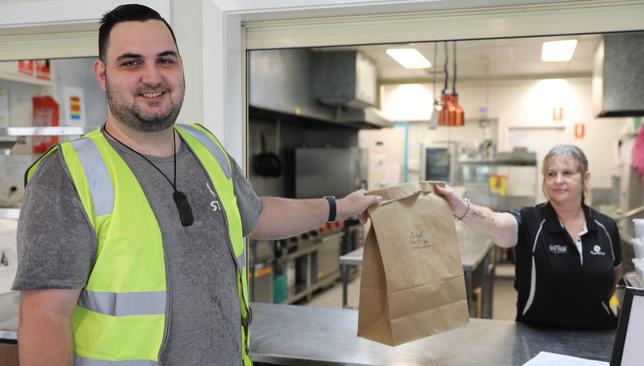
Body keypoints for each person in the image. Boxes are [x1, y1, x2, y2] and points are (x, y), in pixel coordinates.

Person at [12, 4, 381, 366]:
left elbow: (257, 214)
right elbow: (46, 318)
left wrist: (341, 206)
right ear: (102, 74)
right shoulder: (67, 175)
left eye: (166, 60)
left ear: (181, 67)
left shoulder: (205, 146)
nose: (152, 76)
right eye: (131, 62)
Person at [436, 145, 623, 330]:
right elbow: (496, 222)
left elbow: (613, 279)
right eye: (551, 174)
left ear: (585, 178)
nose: (558, 180)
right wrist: (462, 207)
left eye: (567, 173)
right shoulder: (530, 221)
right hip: (537, 337)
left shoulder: (606, 227)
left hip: (600, 334)